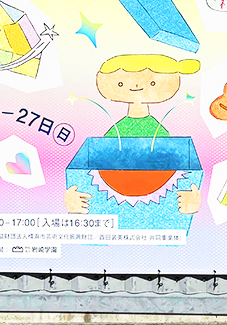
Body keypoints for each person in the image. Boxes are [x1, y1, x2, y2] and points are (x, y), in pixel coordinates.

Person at [63, 54, 202, 214]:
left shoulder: (158, 133)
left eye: (152, 83)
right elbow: (105, 152)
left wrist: (193, 204)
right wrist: (71, 202)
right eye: (121, 83)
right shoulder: (117, 132)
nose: (136, 85)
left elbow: (168, 155)